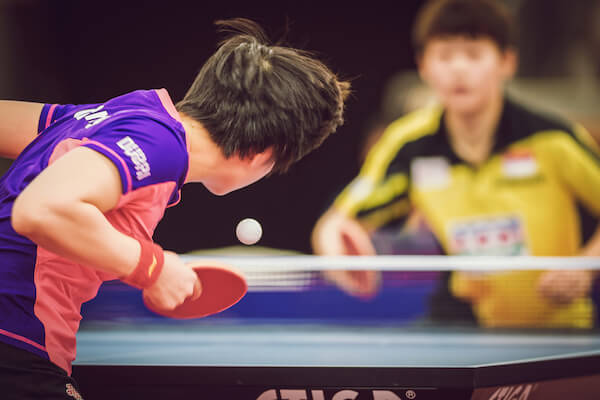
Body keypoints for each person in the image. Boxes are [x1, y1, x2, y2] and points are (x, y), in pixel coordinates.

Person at [0, 18, 350, 399]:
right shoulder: (158, 146)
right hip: (16, 342)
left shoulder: (129, 114)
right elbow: (39, 209)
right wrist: (153, 268)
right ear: (261, 154)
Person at [311, 0, 600, 329]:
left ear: (506, 62)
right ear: (423, 65)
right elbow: (341, 218)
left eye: (474, 55)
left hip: (558, 332)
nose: (458, 69)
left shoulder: (552, 138)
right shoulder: (409, 145)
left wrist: (586, 265)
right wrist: (334, 239)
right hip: (464, 323)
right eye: (445, 56)